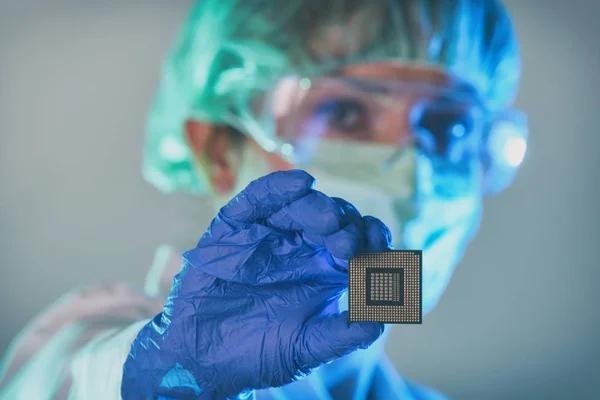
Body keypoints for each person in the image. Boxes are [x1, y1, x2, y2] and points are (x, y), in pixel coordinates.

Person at [0, 0, 529, 399]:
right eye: (346, 113)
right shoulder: (93, 347)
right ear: (217, 153)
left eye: (448, 127)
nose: (411, 172)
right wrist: (168, 376)